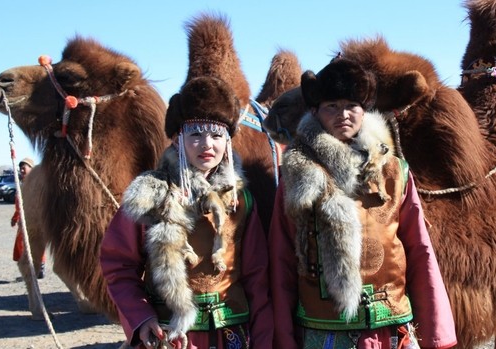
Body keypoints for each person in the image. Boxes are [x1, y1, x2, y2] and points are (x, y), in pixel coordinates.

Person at [269, 58, 457, 349]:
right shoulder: (296, 173)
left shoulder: (394, 171)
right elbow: (281, 259)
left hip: (389, 328)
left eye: (351, 105)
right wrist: (283, 339)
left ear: (364, 110)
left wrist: (435, 329)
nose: (342, 114)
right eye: (331, 105)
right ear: (315, 111)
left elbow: (419, 249)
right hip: (323, 331)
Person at [100, 76, 273, 349]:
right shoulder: (149, 195)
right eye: (195, 134)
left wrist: (263, 341)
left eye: (217, 135)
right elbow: (117, 265)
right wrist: (140, 317)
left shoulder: (241, 203)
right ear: (176, 139)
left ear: (228, 141)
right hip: (170, 335)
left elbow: (257, 278)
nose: (207, 144)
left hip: (232, 335)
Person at [10, 157, 46, 279]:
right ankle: (29, 270)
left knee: (35, 244)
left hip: (34, 220)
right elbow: (19, 205)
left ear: (31, 168)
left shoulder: (36, 184)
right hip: (24, 219)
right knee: (22, 245)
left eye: (24, 167)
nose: (22, 170)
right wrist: (15, 217)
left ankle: (38, 268)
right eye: (20, 168)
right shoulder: (22, 185)